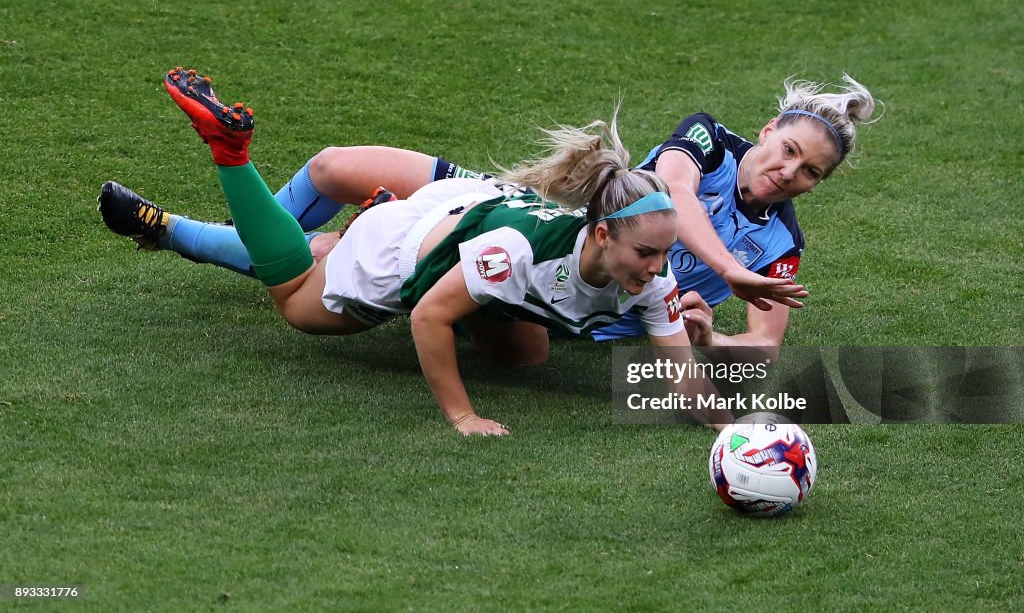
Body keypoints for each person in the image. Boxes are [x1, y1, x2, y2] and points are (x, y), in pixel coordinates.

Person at [118, 67, 728, 436]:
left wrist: (732, 431)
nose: (658, 269)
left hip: (470, 209)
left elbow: (680, 377)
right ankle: (231, 157)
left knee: (524, 356)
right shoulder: (516, 256)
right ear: (602, 234)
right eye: (648, 254)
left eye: (663, 255)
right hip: (410, 249)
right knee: (298, 303)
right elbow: (428, 317)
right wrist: (462, 417)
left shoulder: (648, 275)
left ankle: (183, 230)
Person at [102, 74, 874, 355]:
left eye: (812, 173)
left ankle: (186, 233)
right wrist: (732, 271)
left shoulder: (781, 244)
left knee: (324, 278)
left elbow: (763, 350)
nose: (789, 173)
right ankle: (282, 233)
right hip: (534, 216)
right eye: (789, 151)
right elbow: (673, 198)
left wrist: (714, 333)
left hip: (553, 288)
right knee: (335, 166)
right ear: (770, 129)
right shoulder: (706, 139)